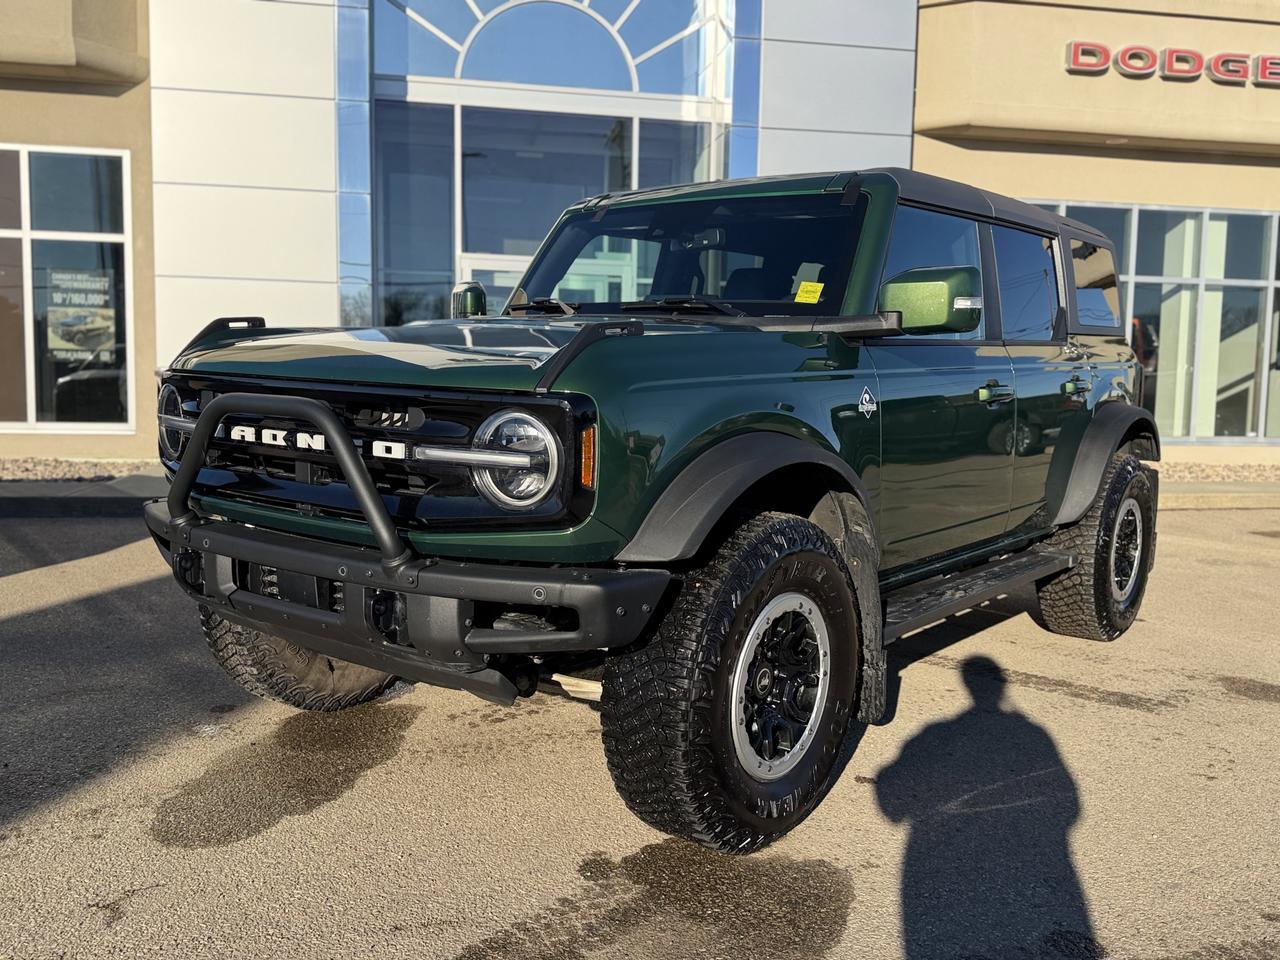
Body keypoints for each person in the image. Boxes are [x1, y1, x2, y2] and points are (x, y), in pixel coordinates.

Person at [875, 655, 1102, 959]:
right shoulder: (1034, 736)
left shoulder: (932, 737)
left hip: (936, 878)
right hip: (1035, 878)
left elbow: (890, 802)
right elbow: (1071, 808)